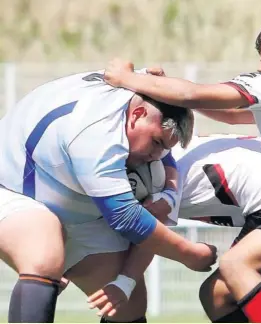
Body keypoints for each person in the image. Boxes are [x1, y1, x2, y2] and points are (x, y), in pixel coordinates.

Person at [102, 5, 261, 323]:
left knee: (236, 264)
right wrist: (168, 92)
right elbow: (227, 111)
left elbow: (193, 94)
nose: (260, 67)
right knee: (231, 296)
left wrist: (128, 79)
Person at [0, 69, 217, 323]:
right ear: (136, 115)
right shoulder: (95, 134)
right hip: (12, 188)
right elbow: (126, 218)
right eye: (156, 143)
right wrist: (189, 254)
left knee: (129, 305)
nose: (154, 156)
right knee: (44, 256)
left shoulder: (140, 90)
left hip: (72, 200)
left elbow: (146, 76)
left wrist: (169, 190)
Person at [87, 134, 261, 321]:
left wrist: (125, 283)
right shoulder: (164, 152)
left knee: (218, 294)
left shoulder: (153, 174)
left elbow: (150, 234)